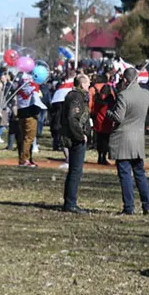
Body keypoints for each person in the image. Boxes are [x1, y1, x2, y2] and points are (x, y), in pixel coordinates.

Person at [107, 68, 149, 215]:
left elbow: (118, 118)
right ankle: (147, 205)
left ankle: (129, 207)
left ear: (126, 80)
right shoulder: (146, 94)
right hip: (138, 139)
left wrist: (108, 112)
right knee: (140, 173)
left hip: (123, 139)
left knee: (125, 174)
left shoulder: (123, 95)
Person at [60, 74, 91, 213]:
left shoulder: (77, 97)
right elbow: (73, 119)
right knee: (75, 171)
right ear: (83, 84)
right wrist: (81, 136)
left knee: (74, 170)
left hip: (75, 137)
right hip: (75, 139)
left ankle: (70, 201)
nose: (89, 87)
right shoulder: (76, 98)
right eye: (88, 84)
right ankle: (70, 203)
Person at [91, 83, 115, 165]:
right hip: (107, 121)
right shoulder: (110, 100)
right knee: (106, 141)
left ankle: (99, 157)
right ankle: (103, 157)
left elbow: (94, 110)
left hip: (98, 121)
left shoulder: (97, 98)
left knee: (99, 141)